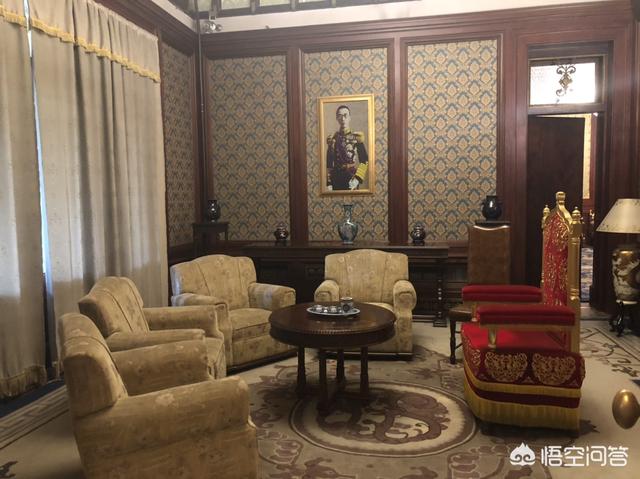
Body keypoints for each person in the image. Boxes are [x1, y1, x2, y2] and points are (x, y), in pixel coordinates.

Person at [326, 105, 368, 191]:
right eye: (340, 116)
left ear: (349, 118)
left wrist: (357, 179)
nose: (343, 118)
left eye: (345, 115)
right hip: (336, 178)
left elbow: (364, 161)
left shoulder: (357, 137)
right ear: (337, 118)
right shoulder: (332, 138)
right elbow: (329, 164)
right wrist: (329, 182)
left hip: (351, 178)